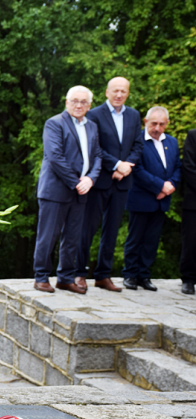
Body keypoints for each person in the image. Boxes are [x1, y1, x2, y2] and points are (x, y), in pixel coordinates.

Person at [33, 86, 102, 294]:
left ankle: (65, 278)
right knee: (48, 236)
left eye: (83, 102)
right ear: (66, 102)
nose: (79, 105)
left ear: (89, 106)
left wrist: (90, 179)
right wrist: (76, 182)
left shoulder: (92, 126)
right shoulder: (54, 123)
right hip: (56, 190)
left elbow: (98, 155)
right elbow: (55, 157)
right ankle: (41, 277)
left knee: (73, 237)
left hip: (81, 191)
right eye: (75, 101)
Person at [77, 78, 144, 292]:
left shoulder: (133, 115)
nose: (119, 94)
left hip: (123, 181)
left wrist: (126, 166)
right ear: (107, 92)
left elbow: (138, 144)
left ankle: (103, 275)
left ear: (127, 94)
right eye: (115, 90)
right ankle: (79, 272)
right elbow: (94, 146)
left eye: (123, 91)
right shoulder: (95, 114)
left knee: (112, 230)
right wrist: (115, 164)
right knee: (88, 228)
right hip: (99, 181)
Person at [122, 107, 181, 291]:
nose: (157, 127)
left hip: (161, 200)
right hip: (141, 198)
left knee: (152, 240)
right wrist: (160, 186)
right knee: (135, 238)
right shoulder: (136, 140)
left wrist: (170, 185)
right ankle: (130, 274)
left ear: (167, 124)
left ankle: (144, 275)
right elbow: (136, 169)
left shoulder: (171, 142)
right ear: (145, 122)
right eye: (153, 123)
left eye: (161, 124)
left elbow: (178, 166)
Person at [180, 128, 196, 295]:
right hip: (194, 200)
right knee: (191, 241)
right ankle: (189, 279)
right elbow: (188, 167)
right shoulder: (193, 135)